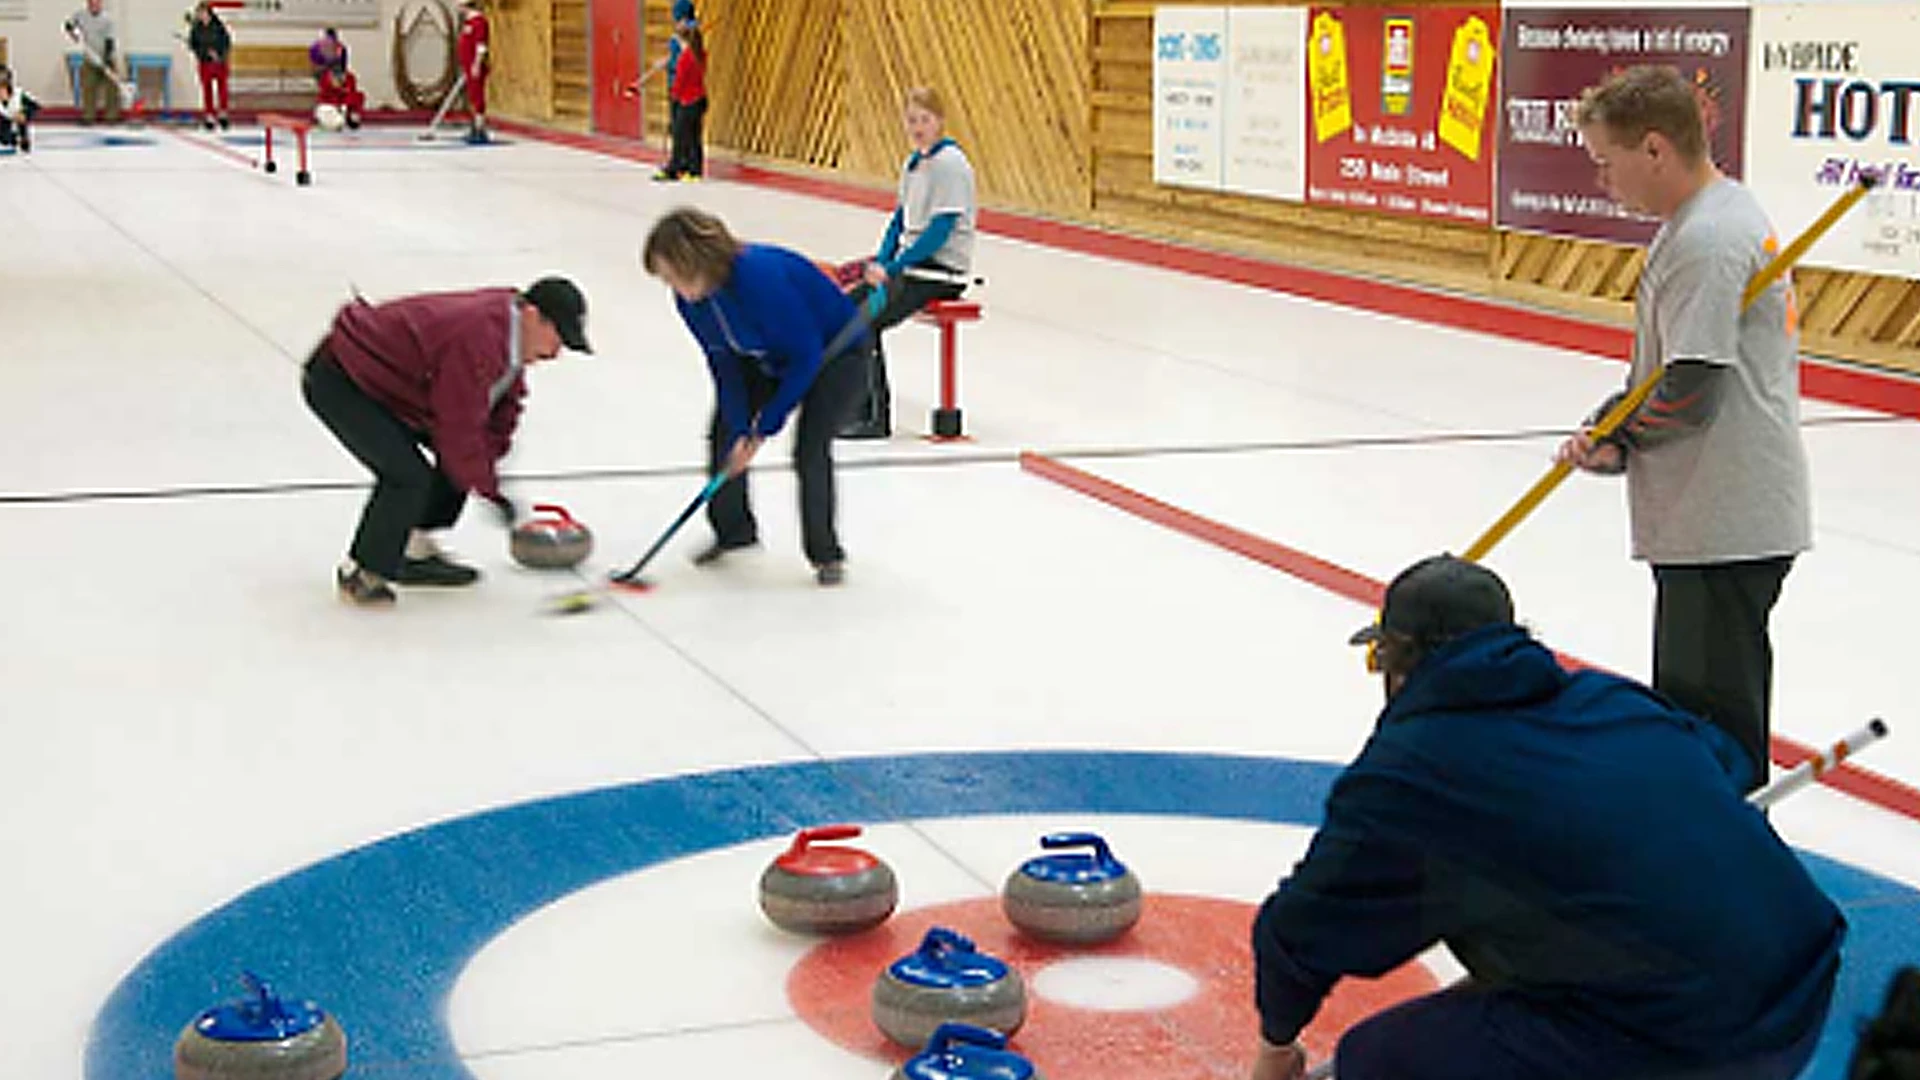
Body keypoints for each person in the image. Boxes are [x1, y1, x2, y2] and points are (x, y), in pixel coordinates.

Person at [1247, 554, 1845, 1080]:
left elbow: (1301, 933)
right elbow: (1728, 765)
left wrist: (1275, 1051)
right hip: (1799, 995)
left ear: (1401, 661)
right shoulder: (1612, 700)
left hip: (1698, 1044)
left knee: (1379, 1061)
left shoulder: (1415, 769)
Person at [1554, 64, 1810, 791]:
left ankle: (1724, 875)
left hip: (1724, 519)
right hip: (1711, 515)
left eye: (1608, 164)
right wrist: (1614, 422)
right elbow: (1665, 378)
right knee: (1702, 716)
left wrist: (1620, 438)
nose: (1605, 182)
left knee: (1712, 733)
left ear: (1656, 149)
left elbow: (1691, 388)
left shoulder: (1707, 239)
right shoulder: (1704, 220)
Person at [301, 278, 593, 606]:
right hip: (343, 378)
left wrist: (488, 466)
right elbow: (458, 424)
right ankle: (363, 574)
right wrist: (492, 492)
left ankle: (414, 549)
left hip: (398, 386)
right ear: (531, 314)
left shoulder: (508, 336)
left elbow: (499, 407)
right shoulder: (479, 338)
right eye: (557, 337)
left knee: (465, 458)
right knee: (407, 475)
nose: (556, 353)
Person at [641, 207, 871, 586]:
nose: (672, 287)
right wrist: (738, 424)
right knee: (723, 435)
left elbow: (805, 355)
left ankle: (826, 553)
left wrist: (764, 426)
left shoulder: (759, 279)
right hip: (767, 356)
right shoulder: (691, 301)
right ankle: (734, 532)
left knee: (809, 449)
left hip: (835, 354)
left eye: (673, 274)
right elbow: (723, 362)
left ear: (695, 260)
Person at [839, 86, 977, 440]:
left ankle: (876, 416)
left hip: (938, 270)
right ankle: (854, 406)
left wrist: (895, 267)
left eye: (925, 120)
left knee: (866, 320)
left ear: (940, 122)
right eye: (912, 120)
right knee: (846, 310)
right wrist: (881, 259)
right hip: (911, 265)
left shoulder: (950, 165)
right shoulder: (914, 163)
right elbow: (900, 220)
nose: (918, 127)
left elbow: (939, 230)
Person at [654, 20, 706, 181]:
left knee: (679, 136)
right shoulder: (700, 54)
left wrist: (673, 97)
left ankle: (674, 169)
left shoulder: (685, 58)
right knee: (693, 136)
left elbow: (680, 82)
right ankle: (694, 170)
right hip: (699, 99)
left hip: (687, 101)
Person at [64, 0, 121, 125]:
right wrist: (73, 32)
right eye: (91, 3)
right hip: (90, 56)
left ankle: (112, 117)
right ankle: (88, 116)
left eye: (96, 3)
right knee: (88, 86)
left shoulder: (107, 19)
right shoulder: (81, 15)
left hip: (106, 56)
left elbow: (110, 41)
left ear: (100, 4)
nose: (94, 5)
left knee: (111, 87)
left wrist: (105, 61)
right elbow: (69, 24)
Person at [187, 0, 232, 131]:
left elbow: (226, 43)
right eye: (199, 13)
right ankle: (209, 116)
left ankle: (223, 114)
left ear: (209, 13)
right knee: (207, 90)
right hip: (205, 62)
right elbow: (193, 45)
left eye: (203, 13)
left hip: (219, 62)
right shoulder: (196, 28)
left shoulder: (218, 26)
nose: (201, 15)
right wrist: (204, 53)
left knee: (222, 88)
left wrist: (218, 54)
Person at [309, 27, 365, 129]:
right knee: (328, 80)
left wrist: (340, 73)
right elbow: (314, 63)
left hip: (337, 71)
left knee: (346, 83)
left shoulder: (341, 48)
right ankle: (328, 112)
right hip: (323, 71)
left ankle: (347, 113)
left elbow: (343, 63)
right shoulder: (316, 47)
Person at [455, 0, 491, 144]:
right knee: (472, 96)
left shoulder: (480, 22)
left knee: (477, 97)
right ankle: (474, 127)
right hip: (468, 65)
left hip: (475, 66)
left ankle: (480, 129)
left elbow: (481, 45)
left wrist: (476, 64)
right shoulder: (468, 22)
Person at [0, 66, 38, 154]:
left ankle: (22, 137)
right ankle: (12, 138)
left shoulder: (18, 93)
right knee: (5, 138)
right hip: (3, 121)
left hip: (17, 118)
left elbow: (34, 106)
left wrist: (24, 113)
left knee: (21, 117)